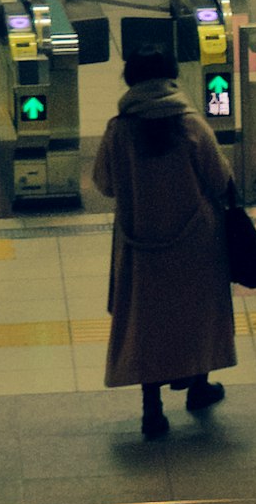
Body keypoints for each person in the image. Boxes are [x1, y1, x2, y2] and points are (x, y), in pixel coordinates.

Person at [94, 49, 238, 439]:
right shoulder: (191, 125)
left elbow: (104, 184)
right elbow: (221, 178)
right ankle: (198, 386)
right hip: (196, 242)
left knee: (147, 322)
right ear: (172, 77)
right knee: (197, 313)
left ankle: (152, 410)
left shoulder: (118, 129)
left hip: (138, 245)